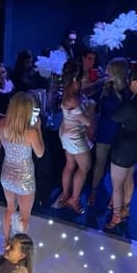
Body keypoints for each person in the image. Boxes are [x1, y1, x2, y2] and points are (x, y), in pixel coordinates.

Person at [107, 65, 137, 230]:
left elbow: (115, 117)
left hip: (124, 148)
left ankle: (116, 215)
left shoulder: (132, 104)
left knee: (117, 184)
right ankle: (126, 209)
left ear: (135, 82)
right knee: (129, 177)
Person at [0, 92, 45, 241]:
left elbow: (4, 145)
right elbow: (40, 153)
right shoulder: (31, 133)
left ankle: (6, 241)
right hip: (24, 179)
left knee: (10, 208)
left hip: (7, 174)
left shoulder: (2, 124)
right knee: (24, 217)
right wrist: (38, 129)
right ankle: (18, 247)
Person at [88, 57, 129, 207]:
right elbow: (90, 101)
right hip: (104, 130)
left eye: (109, 69)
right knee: (100, 163)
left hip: (120, 133)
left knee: (116, 167)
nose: (105, 71)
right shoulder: (104, 86)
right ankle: (93, 191)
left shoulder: (127, 90)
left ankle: (114, 197)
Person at [56, 61, 95, 214]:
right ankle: (74, 199)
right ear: (75, 79)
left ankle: (65, 194)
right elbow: (87, 122)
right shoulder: (72, 98)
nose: (83, 80)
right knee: (84, 167)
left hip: (66, 131)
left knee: (70, 165)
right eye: (81, 78)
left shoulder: (68, 89)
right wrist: (91, 109)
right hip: (74, 136)